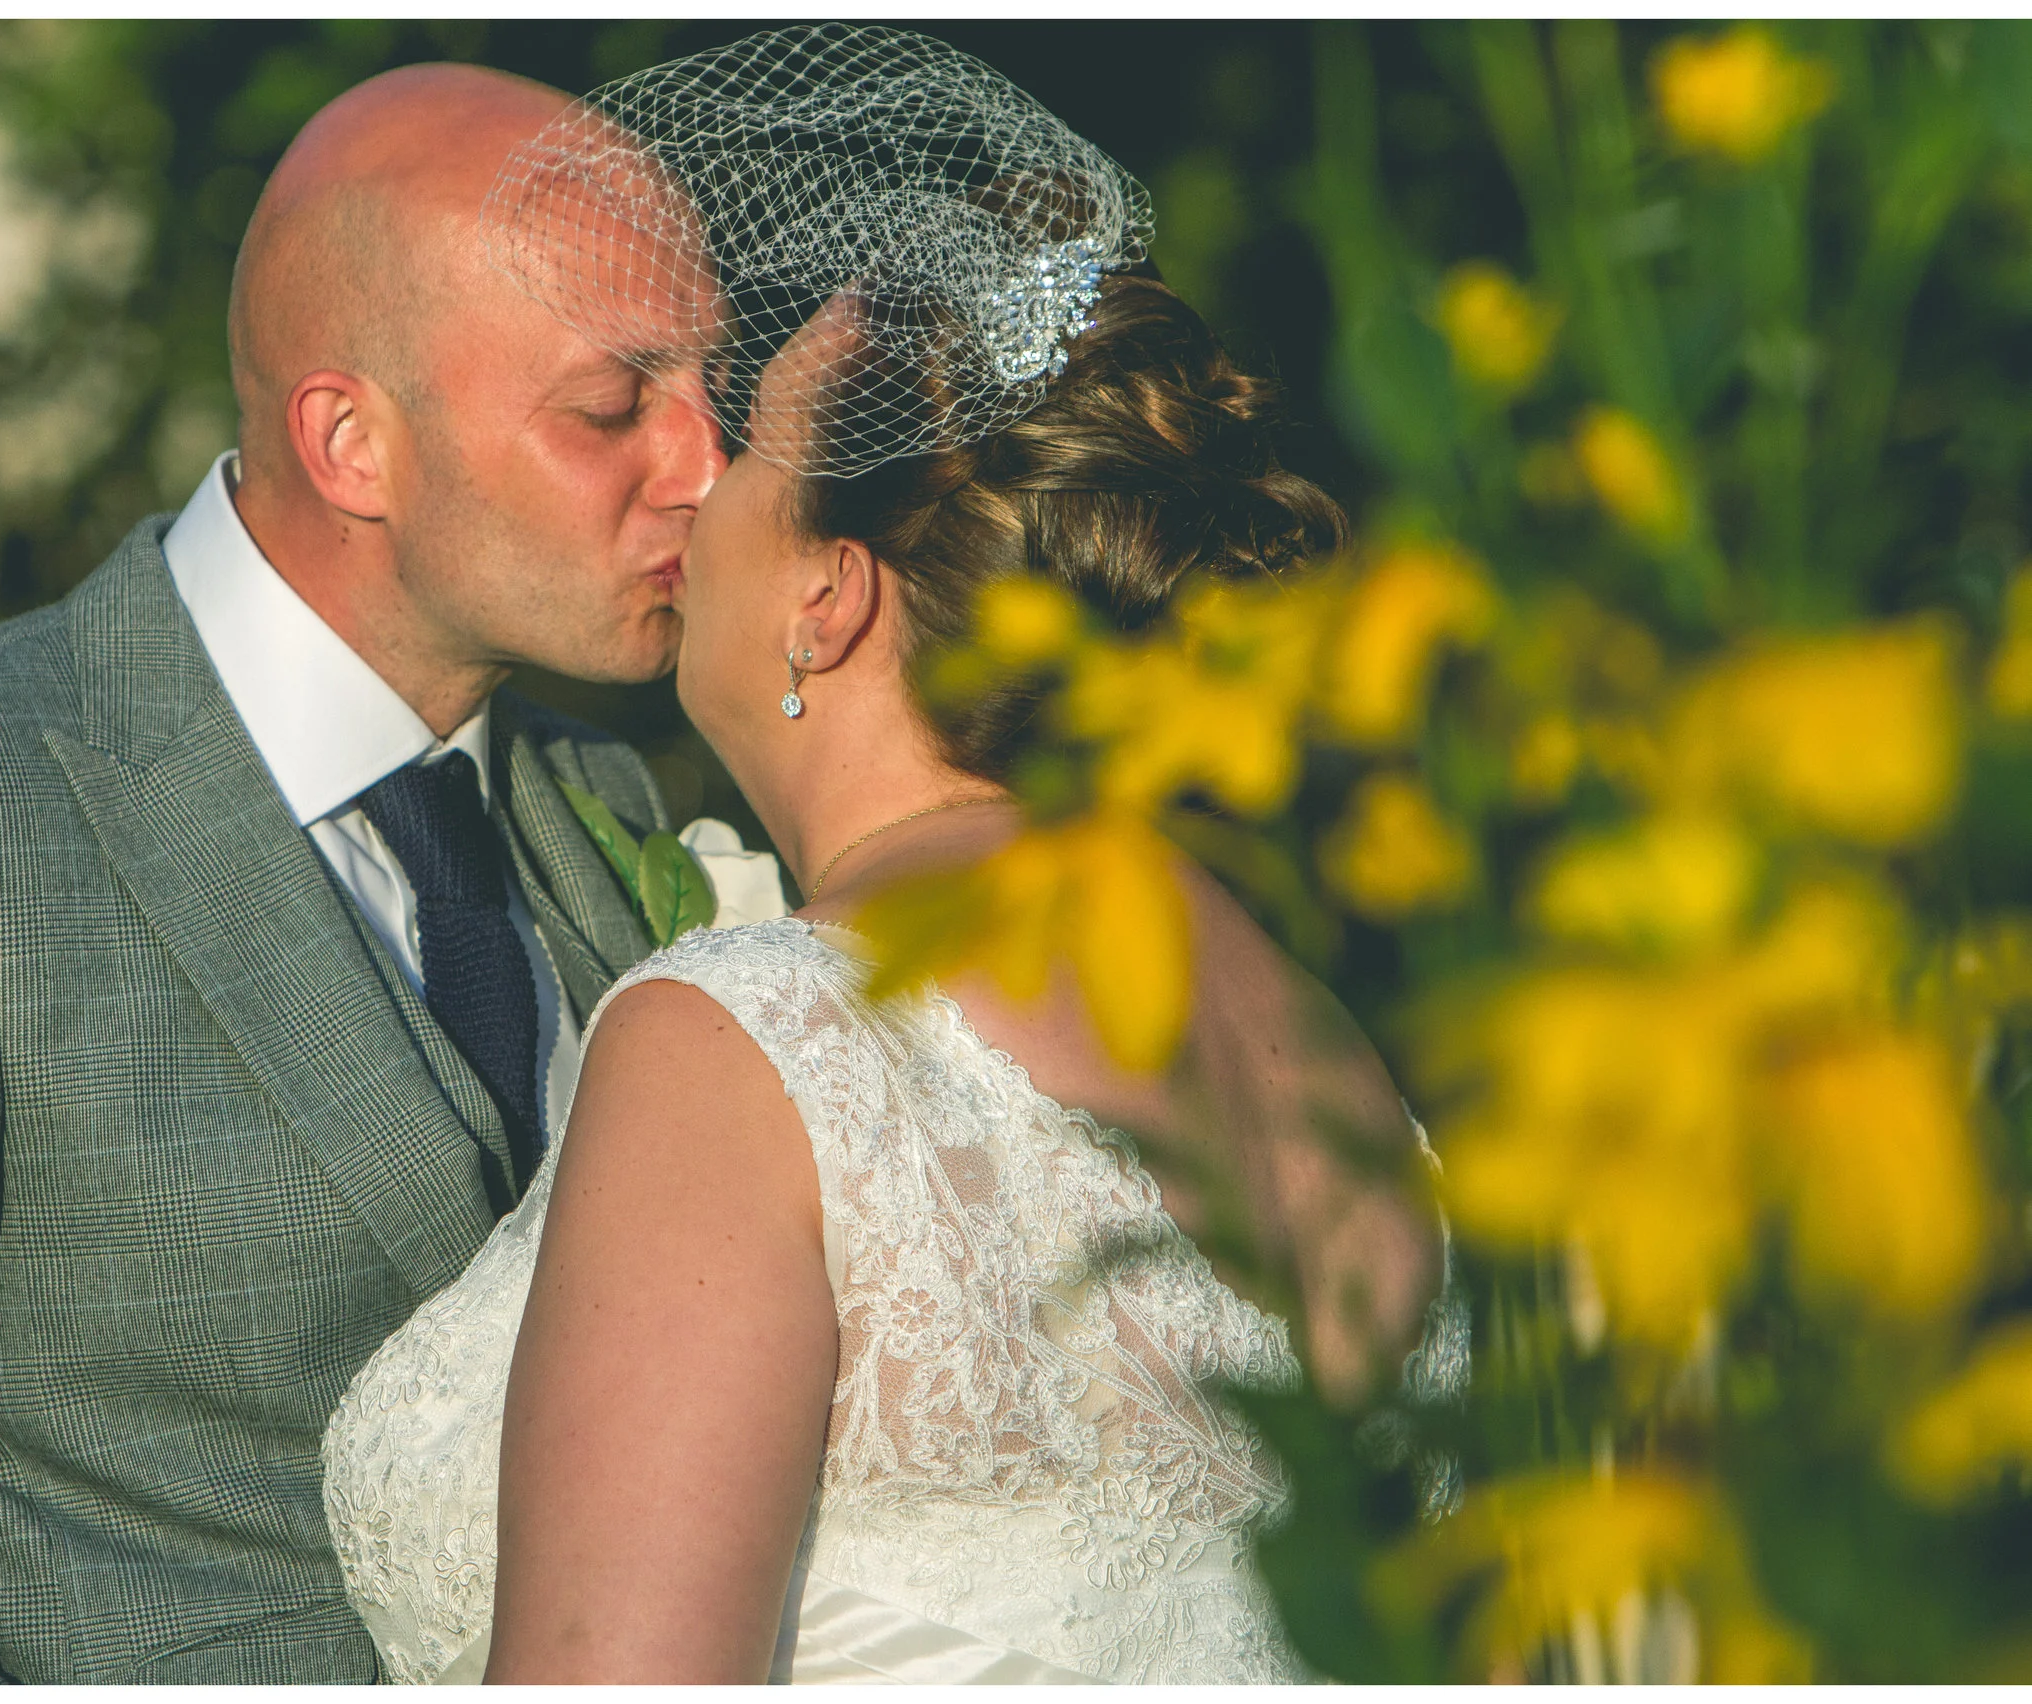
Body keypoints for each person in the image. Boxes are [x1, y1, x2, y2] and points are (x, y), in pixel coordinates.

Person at [0, 63, 727, 1683]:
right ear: (351, 442)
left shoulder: (603, 807)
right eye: (613, 407)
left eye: (711, 393)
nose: (707, 467)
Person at [321, 26, 1447, 1685]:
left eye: (742, 454)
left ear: (826, 595)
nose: (686, 487)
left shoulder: (760, 1033)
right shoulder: (1331, 1049)